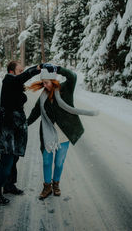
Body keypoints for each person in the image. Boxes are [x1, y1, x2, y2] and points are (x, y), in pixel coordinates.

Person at [27, 64, 98, 199]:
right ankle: (47, 187)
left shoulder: (65, 88)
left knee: (59, 162)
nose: (45, 85)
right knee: (47, 161)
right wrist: (25, 124)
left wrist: (58, 69)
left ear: (53, 81)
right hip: (47, 134)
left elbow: (72, 76)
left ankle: (56, 184)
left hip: (63, 133)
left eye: (46, 82)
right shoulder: (43, 96)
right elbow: (35, 112)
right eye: (43, 83)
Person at [0, 61, 41, 205]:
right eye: (20, 70)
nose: (22, 71)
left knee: (14, 158)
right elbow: (21, 78)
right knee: (6, 160)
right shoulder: (9, 79)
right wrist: (36, 69)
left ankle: (9, 185)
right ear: (12, 71)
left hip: (16, 128)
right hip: (7, 128)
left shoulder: (14, 84)